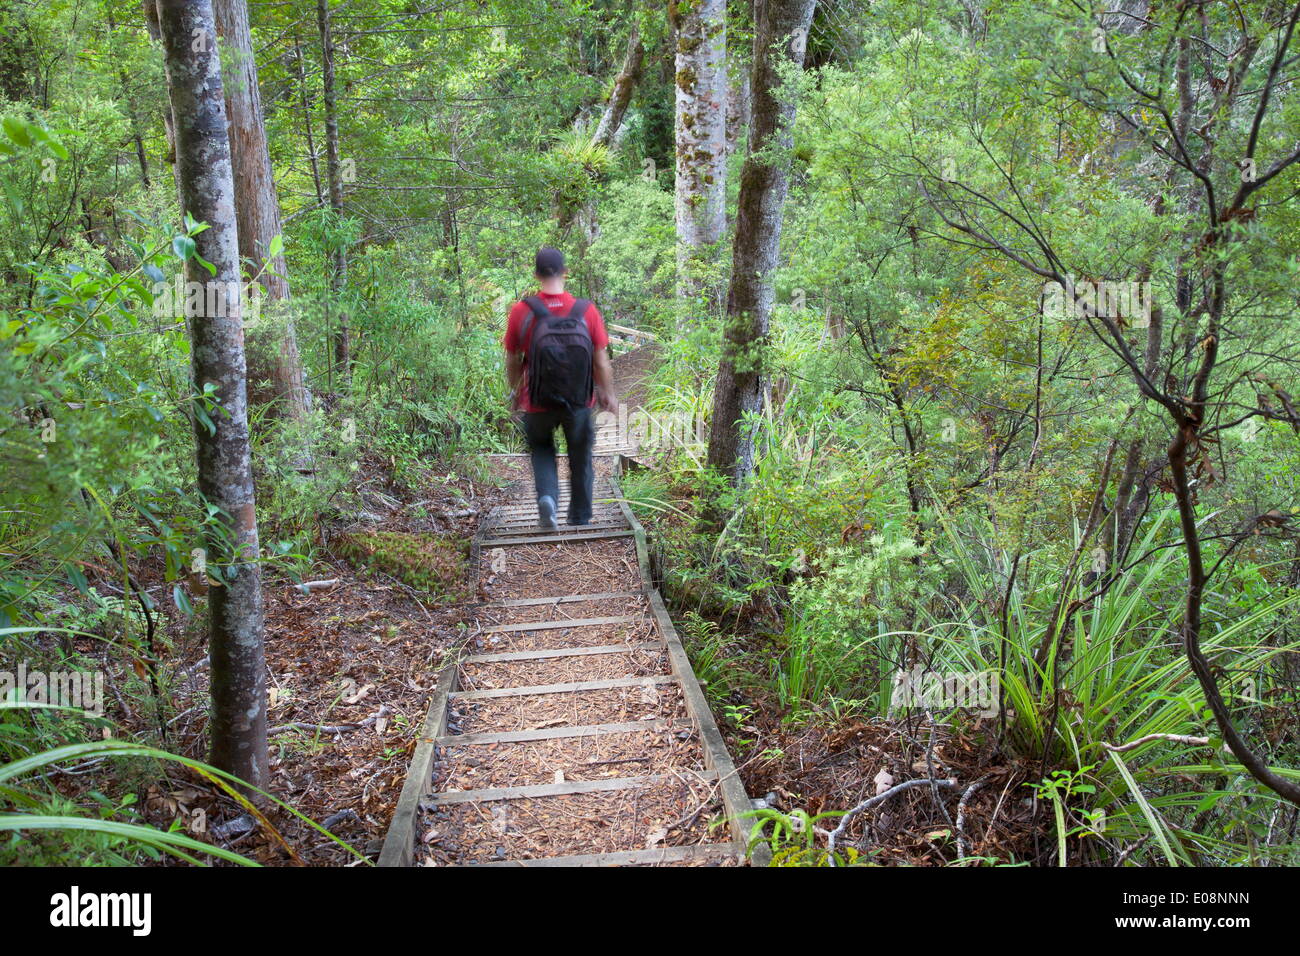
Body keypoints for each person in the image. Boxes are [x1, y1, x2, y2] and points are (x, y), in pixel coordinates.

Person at [504, 247, 618, 528]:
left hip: (537, 400)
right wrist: (607, 393)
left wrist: (516, 392)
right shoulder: (586, 310)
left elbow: (512, 358)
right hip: (579, 401)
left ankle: (548, 499)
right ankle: (579, 518)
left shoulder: (523, 311)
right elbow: (601, 360)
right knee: (580, 456)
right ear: (565, 272)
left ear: (536, 274)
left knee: (542, 449)